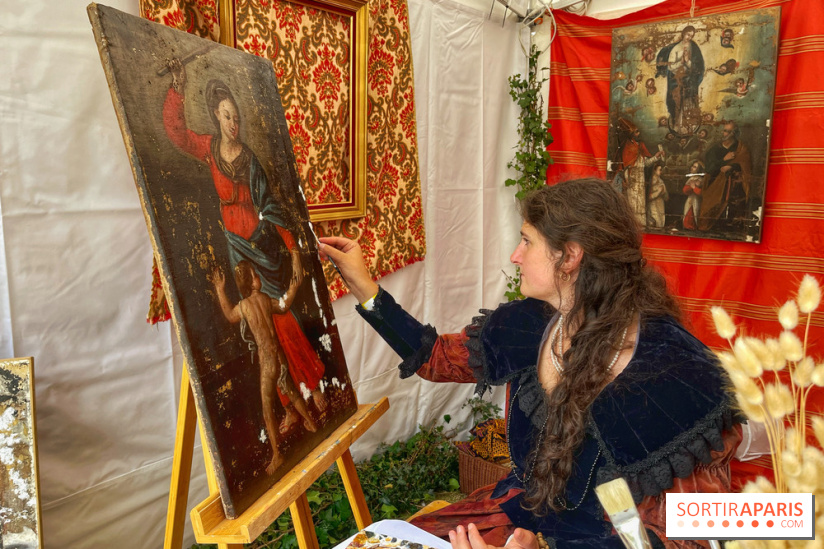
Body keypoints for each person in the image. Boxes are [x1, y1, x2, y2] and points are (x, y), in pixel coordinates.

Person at [320, 179, 743, 549]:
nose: (515, 254)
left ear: (570, 256)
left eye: (527, 240)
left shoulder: (675, 372)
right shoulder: (532, 323)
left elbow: (686, 537)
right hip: (518, 515)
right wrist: (364, 286)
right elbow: (435, 359)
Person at [163, 59, 327, 424]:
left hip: (263, 248)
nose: (233, 124)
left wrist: (293, 250)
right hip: (238, 252)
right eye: (226, 117)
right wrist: (178, 85)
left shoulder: (251, 161)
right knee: (258, 330)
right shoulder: (208, 149)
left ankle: (311, 385)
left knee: (282, 321)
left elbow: (270, 206)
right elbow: (176, 133)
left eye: (236, 117)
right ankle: (288, 405)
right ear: (215, 118)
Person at [211, 261, 318, 474]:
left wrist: (219, 289)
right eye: (256, 275)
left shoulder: (244, 306)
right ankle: (310, 422)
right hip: (279, 356)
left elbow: (230, 315)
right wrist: (293, 288)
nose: (259, 277)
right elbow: (283, 305)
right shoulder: (265, 300)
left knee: (267, 407)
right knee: (291, 391)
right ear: (251, 282)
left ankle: (277, 455)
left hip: (268, 361)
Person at [698, 121, 752, 231]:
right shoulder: (714, 149)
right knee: (710, 206)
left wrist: (732, 166)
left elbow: (745, 164)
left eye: (728, 131)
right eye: (724, 130)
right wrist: (724, 160)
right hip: (714, 182)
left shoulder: (741, 147)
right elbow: (709, 169)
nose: (724, 133)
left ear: (734, 133)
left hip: (735, 183)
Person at [656, 26, 705, 135]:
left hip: (689, 81)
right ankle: (677, 125)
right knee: (677, 103)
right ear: (683, 34)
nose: (689, 37)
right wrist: (681, 62)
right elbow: (671, 66)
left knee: (688, 102)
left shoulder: (694, 48)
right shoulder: (676, 48)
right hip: (676, 80)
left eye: (691, 36)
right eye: (688, 34)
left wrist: (687, 62)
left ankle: (689, 126)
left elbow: (697, 67)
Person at [619, 121, 664, 225]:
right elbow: (625, 166)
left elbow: (646, 163)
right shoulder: (628, 147)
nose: (639, 134)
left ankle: (642, 225)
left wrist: (655, 156)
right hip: (632, 178)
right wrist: (626, 179)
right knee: (632, 203)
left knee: (641, 203)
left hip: (641, 177)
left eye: (638, 132)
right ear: (631, 134)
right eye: (636, 132)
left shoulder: (640, 146)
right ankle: (633, 224)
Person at [682, 160, 704, 230]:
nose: (692, 168)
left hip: (697, 200)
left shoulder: (700, 180)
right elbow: (685, 191)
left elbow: (701, 193)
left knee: (695, 213)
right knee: (687, 214)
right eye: (692, 166)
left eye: (694, 167)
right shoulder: (691, 179)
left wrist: (694, 187)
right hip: (690, 199)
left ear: (698, 169)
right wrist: (691, 187)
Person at [647, 164, 668, 228]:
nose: (661, 171)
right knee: (655, 221)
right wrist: (658, 192)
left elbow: (666, 197)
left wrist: (664, 192)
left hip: (660, 203)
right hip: (653, 204)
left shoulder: (661, 181)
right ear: (654, 170)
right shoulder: (650, 181)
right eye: (659, 170)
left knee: (661, 221)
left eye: (661, 170)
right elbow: (648, 197)